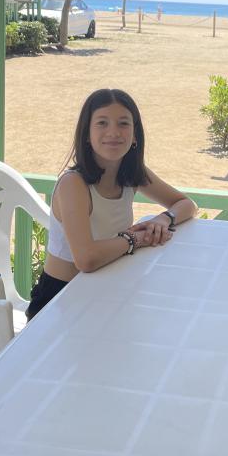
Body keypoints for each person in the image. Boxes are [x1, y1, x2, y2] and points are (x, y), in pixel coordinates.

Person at [25, 88, 197, 319]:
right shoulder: (73, 184)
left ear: (135, 135)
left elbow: (186, 204)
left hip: (108, 289)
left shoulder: (130, 174)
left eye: (123, 123)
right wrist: (136, 238)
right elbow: (86, 259)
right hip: (59, 301)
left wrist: (163, 219)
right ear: (87, 134)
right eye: (102, 123)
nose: (113, 132)